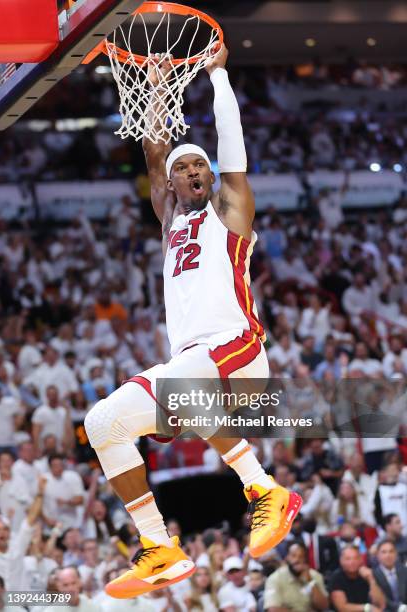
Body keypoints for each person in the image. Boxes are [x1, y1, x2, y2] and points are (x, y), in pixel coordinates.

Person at [84, 45, 302, 599]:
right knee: (103, 423)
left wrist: (218, 76)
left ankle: (265, 488)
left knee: (185, 383)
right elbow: (154, 155)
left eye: (197, 163)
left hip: (238, 349)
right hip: (197, 366)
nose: (190, 171)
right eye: (182, 168)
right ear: (173, 186)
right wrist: (155, 88)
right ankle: (161, 547)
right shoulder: (170, 220)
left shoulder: (230, 210)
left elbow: (233, 150)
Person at [263, 541, 328, 612]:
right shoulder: (275, 578)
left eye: (301, 556)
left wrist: (310, 581)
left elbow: (323, 606)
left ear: (305, 559)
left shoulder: (315, 575)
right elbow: (273, 610)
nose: (297, 560)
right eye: (293, 556)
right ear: (287, 557)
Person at [329, 545, 385, 612]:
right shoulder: (336, 577)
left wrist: (371, 579)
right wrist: (367, 607)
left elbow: (380, 604)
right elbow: (342, 608)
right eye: (348, 559)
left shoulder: (367, 573)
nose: (352, 562)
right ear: (341, 561)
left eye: (355, 558)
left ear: (361, 559)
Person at [373, 539, 407, 612]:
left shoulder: (404, 571)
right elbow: (379, 599)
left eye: (391, 551)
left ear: (396, 554)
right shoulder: (373, 574)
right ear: (377, 555)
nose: (388, 555)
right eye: (384, 552)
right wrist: (399, 608)